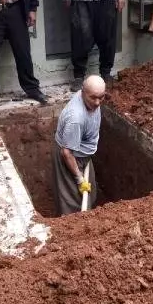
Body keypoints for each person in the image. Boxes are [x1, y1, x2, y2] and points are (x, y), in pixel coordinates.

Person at [52, 75, 106, 215]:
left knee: (90, 193)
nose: (97, 102)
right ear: (82, 93)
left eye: (101, 97)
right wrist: (79, 178)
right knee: (73, 201)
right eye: (93, 97)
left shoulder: (91, 98)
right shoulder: (76, 118)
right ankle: (72, 229)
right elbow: (66, 153)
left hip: (82, 153)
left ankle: (88, 216)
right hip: (70, 157)